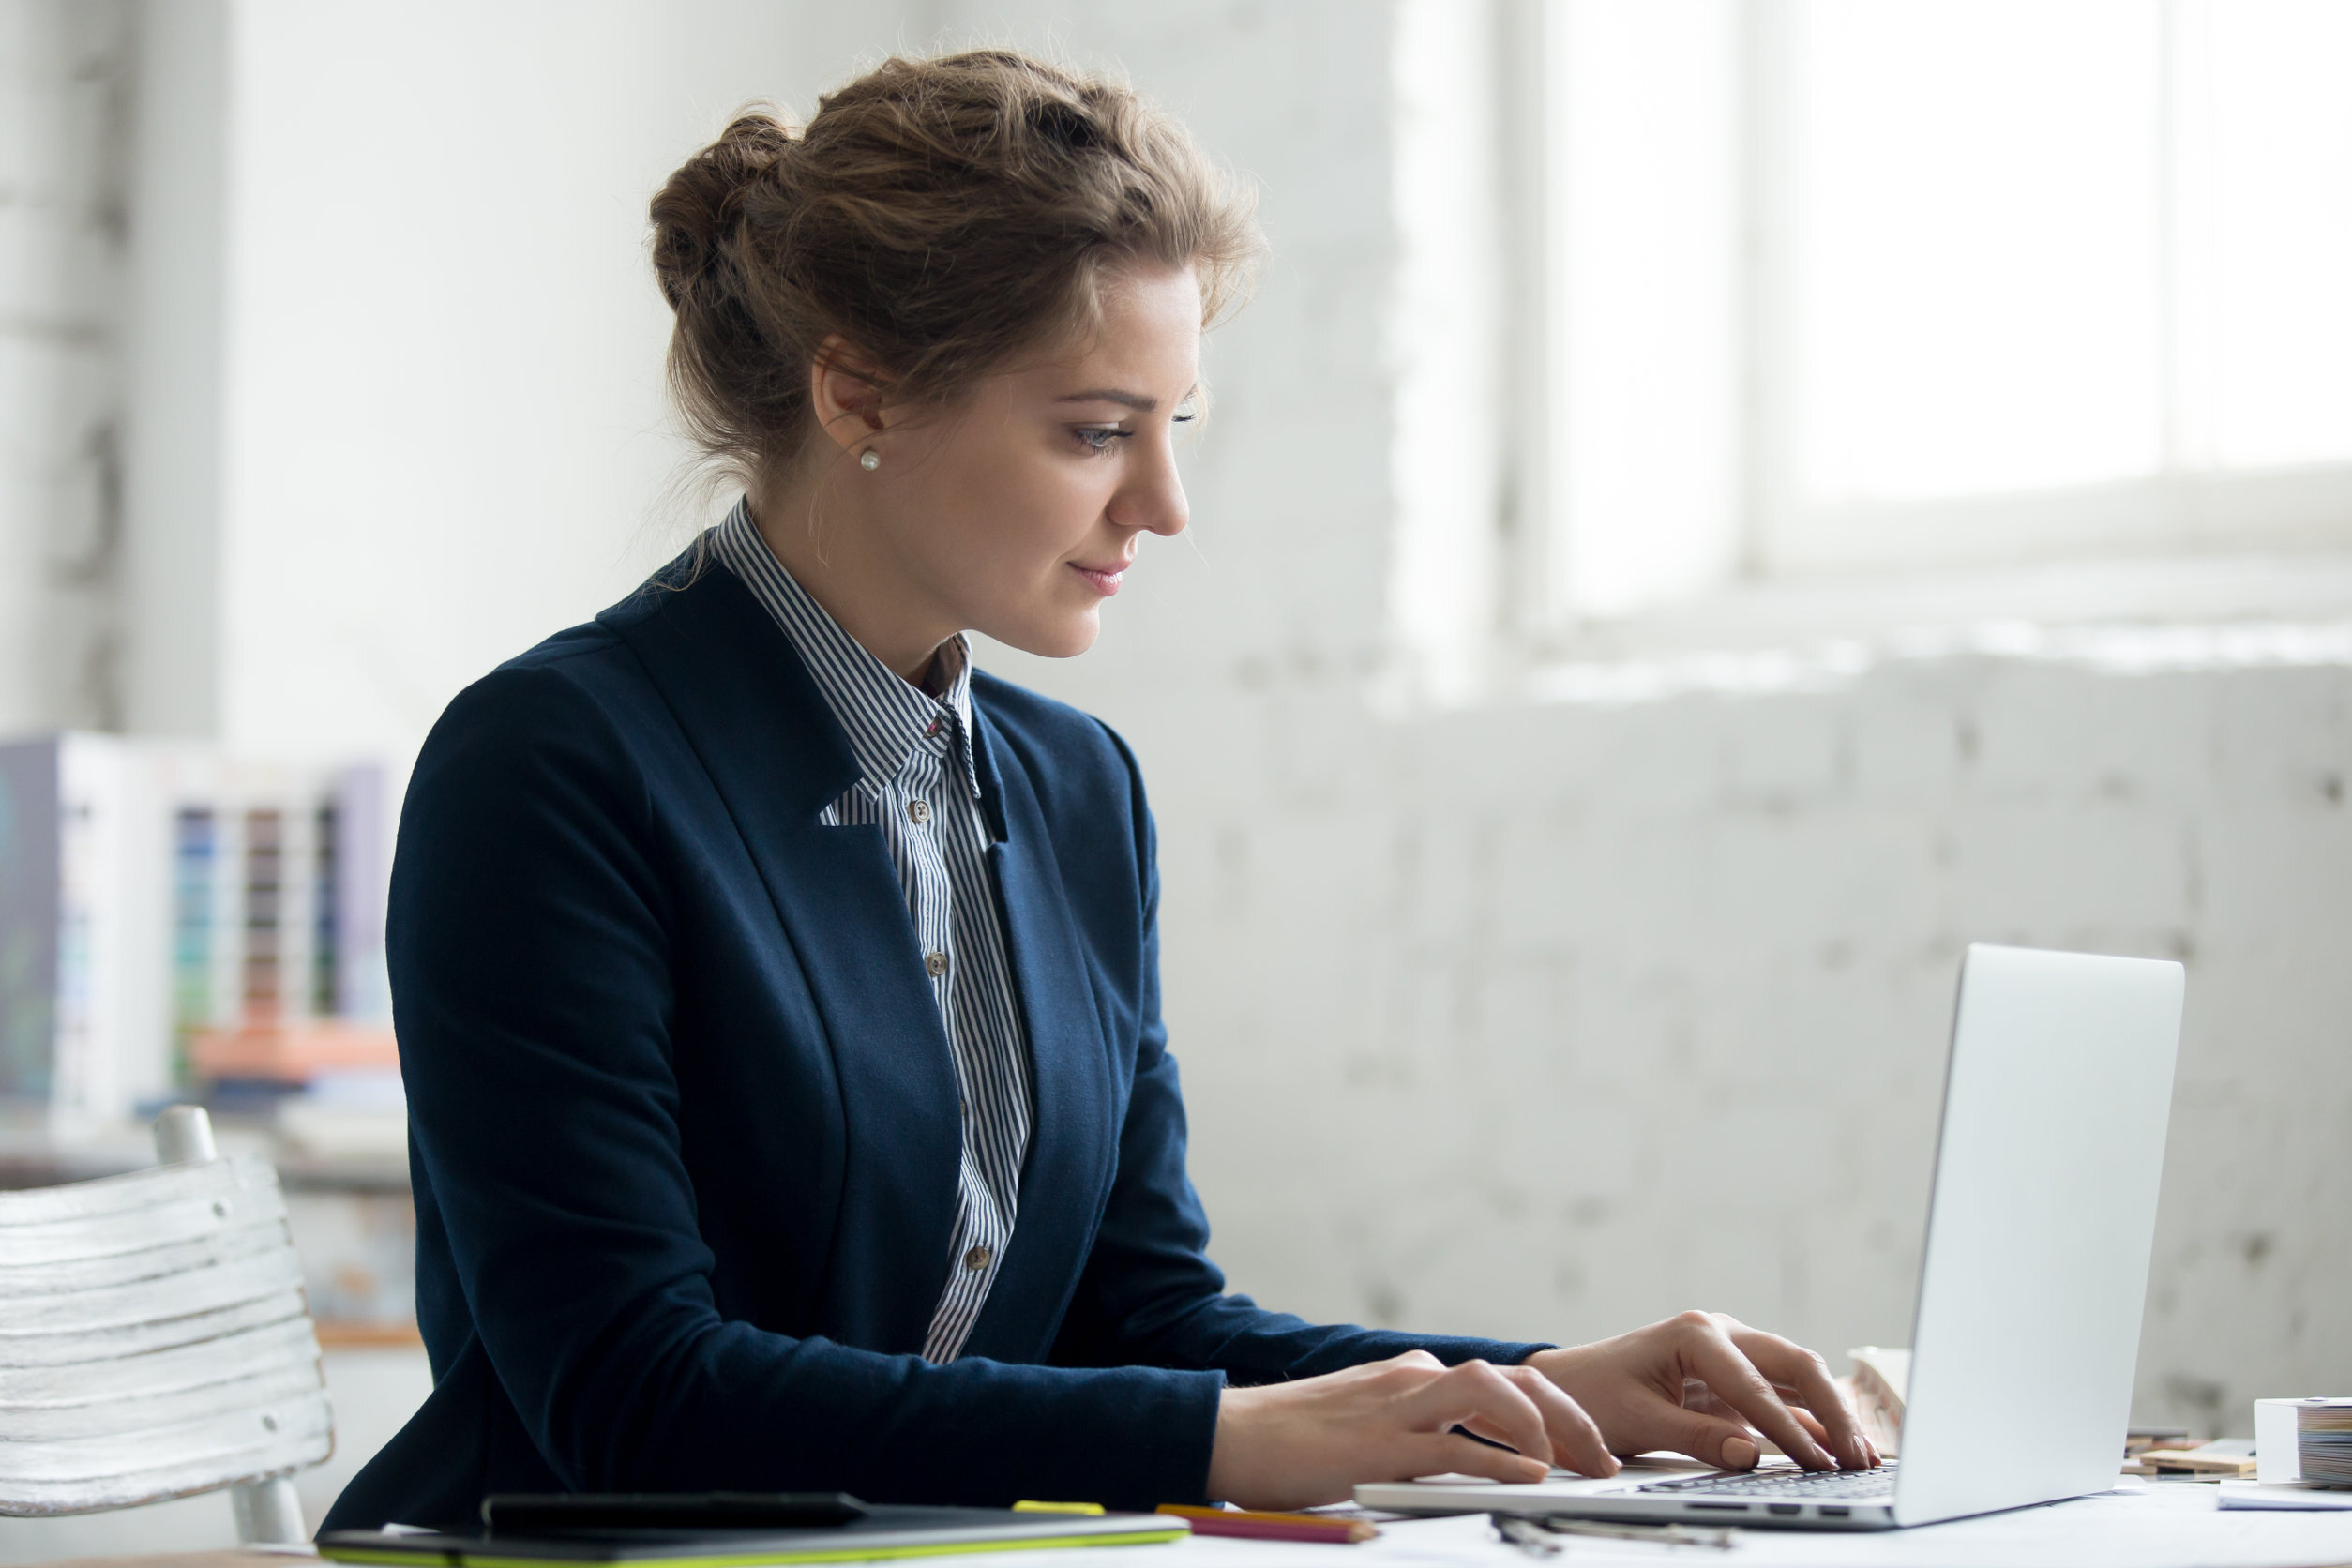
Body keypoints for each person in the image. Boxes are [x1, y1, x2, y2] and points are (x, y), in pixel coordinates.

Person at [322, 50, 1877, 1534]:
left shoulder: (1076, 791)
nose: (1165, 504)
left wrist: (1540, 1390)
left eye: (1173, 427)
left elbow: (1137, 1313)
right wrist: (1219, 1443)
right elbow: (629, 1394)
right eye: (1094, 432)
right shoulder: (552, 766)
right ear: (856, 395)